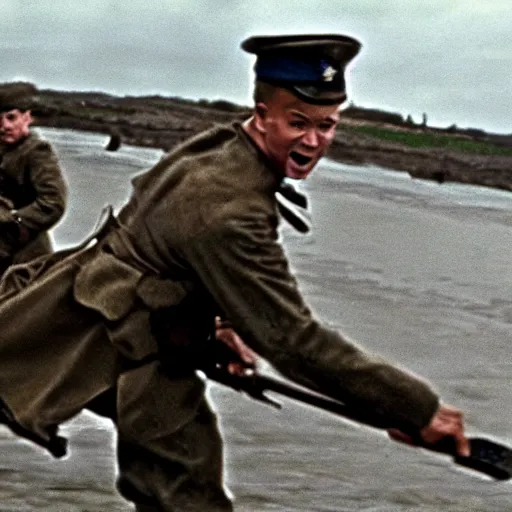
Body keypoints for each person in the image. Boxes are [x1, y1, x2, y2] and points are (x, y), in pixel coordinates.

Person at [0, 35, 469, 511]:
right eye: (298, 123)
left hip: (103, 325)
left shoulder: (220, 147)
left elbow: (171, 246)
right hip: (133, 350)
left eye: (327, 125)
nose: (314, 140)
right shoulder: (232, 209)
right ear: (263, 115)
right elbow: (290, 338)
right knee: (187, 499)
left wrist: (220, 324)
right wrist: (413, 407)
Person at [0, 82, 67, 275]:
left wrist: (11, 219)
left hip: (24, 255)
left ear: (27, 117)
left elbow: (53, 203)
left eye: (11, 117)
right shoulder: (4, 148)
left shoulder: (37, 152)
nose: (5, 126)